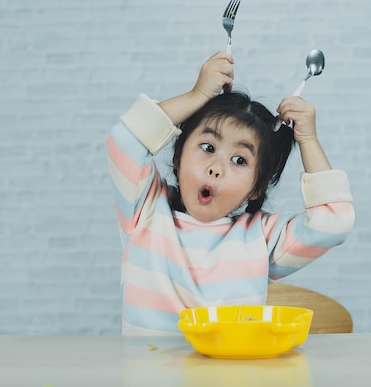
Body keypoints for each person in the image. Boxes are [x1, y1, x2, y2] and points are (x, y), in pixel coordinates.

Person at [107, 52, 354, 336]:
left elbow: (334, 222)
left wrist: (308, 140)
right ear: (177, 156)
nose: (215, 169)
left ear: (257, 188)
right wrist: (197, 94)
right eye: (208, 147)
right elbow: (124, 140)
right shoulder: (146, 210)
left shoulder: (261, 238)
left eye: (240, 160)